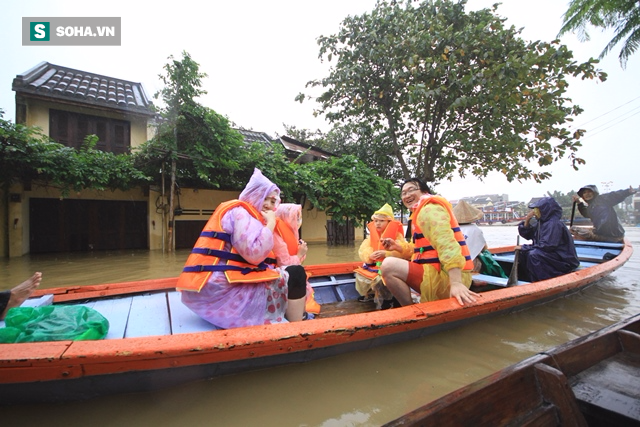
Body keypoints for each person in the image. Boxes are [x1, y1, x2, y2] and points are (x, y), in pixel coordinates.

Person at [178, 169, 307, 329]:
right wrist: (271, 224)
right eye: (264, 198)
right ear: (253, 194)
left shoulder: (248, 215)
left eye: (273, 202)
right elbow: (254, 255)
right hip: (223, 292)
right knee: (297, 274)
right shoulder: (241, 213)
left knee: (286, 272)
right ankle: (298, 328)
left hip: (210, 288)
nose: (268, 204)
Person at [380, 178, 479, 307]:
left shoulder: (429, 209)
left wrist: (456, 283)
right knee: (389, 261)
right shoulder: (420, 212)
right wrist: (398, 247)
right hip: (435, 273)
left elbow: (447, 244)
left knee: (388, 265)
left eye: (411, 190)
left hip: (445, 278)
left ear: (424, 192)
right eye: (403, 193)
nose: (407, 195)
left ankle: (410, 310)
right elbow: (419, 250)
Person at [354, 203, 411, 309]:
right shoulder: (372, 236)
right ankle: (371, 295)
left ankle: (390, 299)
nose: (377, 224)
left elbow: (404, 251)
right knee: (360, 275)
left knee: (382, 279)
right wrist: (370, 256)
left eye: (381, 221)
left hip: (391, 267)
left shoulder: (397, 236)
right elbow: (363, 250)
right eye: (376, 221)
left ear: (389, 222)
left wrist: (387, 253)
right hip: (376, 265)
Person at [517, 197, 579, 282]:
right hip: (549, 254)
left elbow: (547, 246)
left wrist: (524, 247)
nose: (534, 212)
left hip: (563, 258)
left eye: (537, 209)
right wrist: (527, 221)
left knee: (534, 255)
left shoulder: (554, 224)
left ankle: (544, 280)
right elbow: (527, 235)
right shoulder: (540, 223)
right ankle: (528, 280)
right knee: (523, 253)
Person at [273, 203, 320, 316]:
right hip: (281, 277)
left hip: (292, 273)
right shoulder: (276, 235)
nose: (298, 220)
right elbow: (285, 264)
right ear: (285, 216)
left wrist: (301, 251)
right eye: (295, 217)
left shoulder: (291, 232)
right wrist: (299, 254)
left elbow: (298, 261)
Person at [571, 185, 637, 243]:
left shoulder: (602, 199)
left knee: (574, 231)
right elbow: (586, 213)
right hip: (602, 234)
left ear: (594, 193)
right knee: (573, 229)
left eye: (589, 191)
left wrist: (628, 191)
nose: (587, 194)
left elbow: (614, 195)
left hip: (612, 236)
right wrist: (579, 203)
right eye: (584, 193)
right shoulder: (590, 207)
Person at [452, 200, 486, 272]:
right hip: (471, 262)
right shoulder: (475, 229)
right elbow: (483, 247)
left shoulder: (450, 229)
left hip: (453, 263)